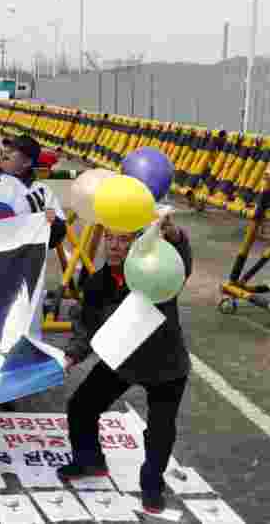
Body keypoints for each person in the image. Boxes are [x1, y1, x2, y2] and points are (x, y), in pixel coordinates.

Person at [56, 215, 193, 515]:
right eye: (110, 238)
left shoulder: (157, 269)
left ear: (137, 243)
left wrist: (177, 237)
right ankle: (89, 459)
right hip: (123, 359)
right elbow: (87, 328)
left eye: (124, 239)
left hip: (166, 363)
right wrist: (70, 357)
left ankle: (152, 486)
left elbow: (182, 266)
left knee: (159, 429)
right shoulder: (97, 283)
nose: (115, 246)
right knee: (81, 405)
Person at [0, 81, 67, 250]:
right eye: (7, 146)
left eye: (14, 150)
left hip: (9, 266)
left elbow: (54, 239)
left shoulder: (41, 192)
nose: (6, 151)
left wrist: (54, 224)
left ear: (27, 162)